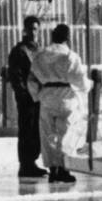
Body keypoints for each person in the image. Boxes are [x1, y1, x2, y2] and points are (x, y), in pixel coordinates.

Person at [27, 23, 88, 184]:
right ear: (67, 37)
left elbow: (31, 79)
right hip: (66, 96)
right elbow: (79, 78)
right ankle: (63, 168)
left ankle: (52, 169)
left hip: (47, 96)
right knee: (66, 133)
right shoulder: (70, 56)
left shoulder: (40, 55)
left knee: (47, 134)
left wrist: (37, 95)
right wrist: (87, 87)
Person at [8, 15, 46, 178]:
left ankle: (32, 161)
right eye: (30, 29)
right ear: (25, 30)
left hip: (40, 97)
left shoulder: (41, 50)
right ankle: (25, 164)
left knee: (37, 131)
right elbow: (15, 75)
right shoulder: (20, 51)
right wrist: (22, 93)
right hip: (27, 98)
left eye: (35, 29)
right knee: (26, 131)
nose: (32, 32)